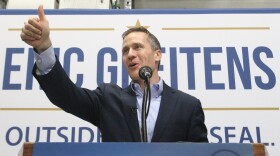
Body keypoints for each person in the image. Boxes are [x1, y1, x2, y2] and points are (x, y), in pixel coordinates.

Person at [20, 5, 208, 142]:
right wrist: (43, 47)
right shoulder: (108, 99)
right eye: (125, 50)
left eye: (137, 47)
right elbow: (66, 96)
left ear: (157, 54)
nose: (130, 54)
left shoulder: (188, 106)